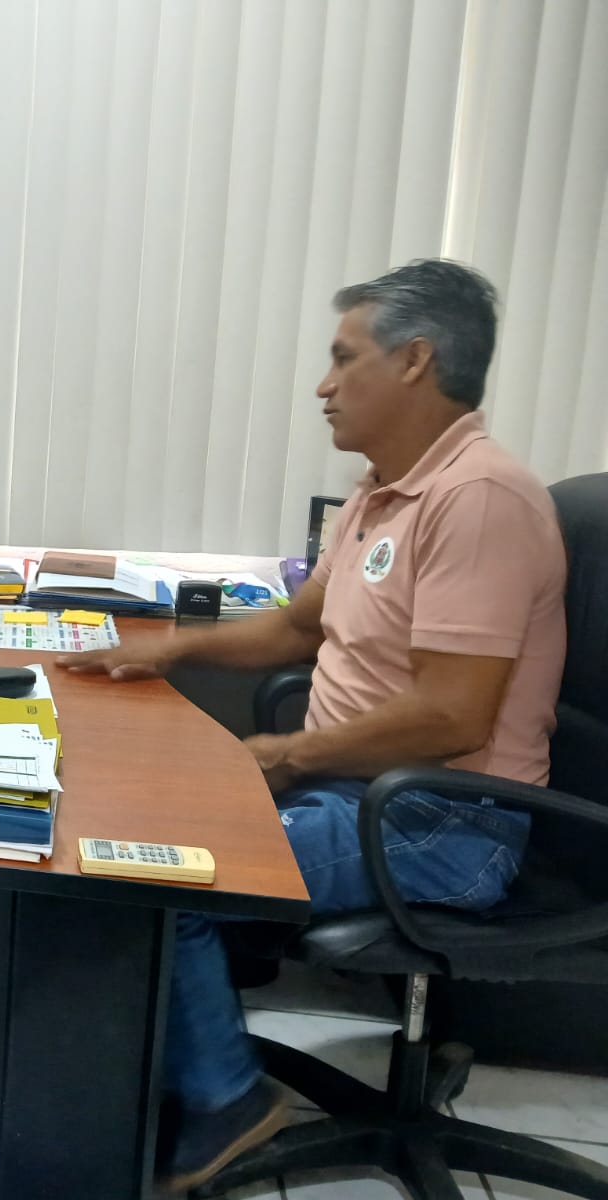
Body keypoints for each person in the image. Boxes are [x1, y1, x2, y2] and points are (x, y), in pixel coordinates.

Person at [61, 260, 567, 1192]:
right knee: (135, 821)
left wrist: (288, 755)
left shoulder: (480, 500)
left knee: (157, 871)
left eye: (344, 358)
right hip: (364, 790)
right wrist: (167, 649)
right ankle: (180, 1068)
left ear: (414, 360)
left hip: (445, 823)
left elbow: (454, 713)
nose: (324, 385)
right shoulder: (382, 492)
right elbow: (299, 627)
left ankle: (227, 1101)